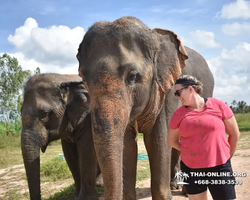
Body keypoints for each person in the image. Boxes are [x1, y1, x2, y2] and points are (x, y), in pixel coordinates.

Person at [168, 75, 240, 200]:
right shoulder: (178, 114)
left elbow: (234, 134)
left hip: (220, 166)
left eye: (178, 93)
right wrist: (189, 150)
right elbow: (171, 140)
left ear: (190, 89)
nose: (177, 97)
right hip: (190, 168)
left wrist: (227, 155)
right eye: (175, 94)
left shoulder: (219, 105)